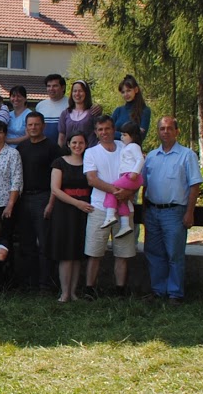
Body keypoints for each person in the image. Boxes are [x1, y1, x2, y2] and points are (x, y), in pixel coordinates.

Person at [142, 116, 203, 304]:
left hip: (175, 212)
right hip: (153, 211)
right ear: (158, 132)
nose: (165, 132)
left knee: (174, 254)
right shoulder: (151, 156)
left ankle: (175, 294)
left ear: (177, 131)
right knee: (154, 253)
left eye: (169, 128)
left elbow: (194, 185)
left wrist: (189, 212)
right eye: (162, 128)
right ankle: (158, 291)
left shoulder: (187, 155)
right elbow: (144, 185)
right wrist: (144, 210)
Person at [83, 115, 138, 297]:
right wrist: (116, 191)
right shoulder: (91, 152)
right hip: (100, 207)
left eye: (107, 128)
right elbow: (92, 179)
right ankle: (90, 289)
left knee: (123, 252)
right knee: (94, 251)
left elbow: (136, 174)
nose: (104, 132)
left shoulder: (125, 148)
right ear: (95, 132)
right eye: (100, 129)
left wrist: (128, 193)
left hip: (125, 206)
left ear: (114, 130)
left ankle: (120, 290)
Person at [13, 111, 63, 292]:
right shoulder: (22, 147)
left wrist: (51, 202)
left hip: (43, 197)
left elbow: (57, 179)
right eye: (30, 125)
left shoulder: (52, 148)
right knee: (26, 244)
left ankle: (46, 284)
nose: (33, 128)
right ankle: (30, 283)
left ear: (43, 126)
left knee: (44, 243)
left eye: (36, 124)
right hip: (24, 198)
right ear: (26, 127)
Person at [48, 131, 94, 302]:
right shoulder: (59, 162)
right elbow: (55, 189)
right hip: (65, 210)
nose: (77, 146)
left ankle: (73, 292)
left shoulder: (89, 163)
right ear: (68, 144)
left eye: (81, 143)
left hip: (84, 210)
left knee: (77, 251)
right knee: (66, 252)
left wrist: (82, 205)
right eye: (74, 142)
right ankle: (64, 292)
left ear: (86, 144)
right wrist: (77, 203)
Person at [100, 123, 146, 238]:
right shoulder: (126, 147)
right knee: (122, 199)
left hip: (130, 176)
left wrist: (134, 172)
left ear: (133, 136)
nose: (122, 137)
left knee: (112, 190)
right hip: (126, 176)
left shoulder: (134, 146)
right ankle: (125, 225)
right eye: (121, 135)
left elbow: (140, 159)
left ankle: (110, 215)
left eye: (125, 135)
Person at [59, 80, 99, 147]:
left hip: (89, 151)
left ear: (86, 93)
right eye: (75, 91)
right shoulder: (65, 113)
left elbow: (100, 133)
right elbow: (61, 136)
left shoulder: (93, 112)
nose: (77, 94)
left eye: (80, 91)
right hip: (70, 151)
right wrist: (59, 151)